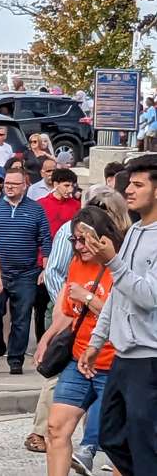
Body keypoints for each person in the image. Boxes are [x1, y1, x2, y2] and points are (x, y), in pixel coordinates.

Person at [78, 154, 157, 475]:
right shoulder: (136, 231)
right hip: (123, 356)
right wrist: (96, 342)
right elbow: (117, 294)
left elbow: (148, 296)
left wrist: (112, 262)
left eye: (138, 185)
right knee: (111, 436)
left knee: (143, 441)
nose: (129, 190)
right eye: (129, 184)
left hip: (149, 358)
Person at [33, 207, 123, 476]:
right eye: (75, 240)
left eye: (84, 239)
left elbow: (122, 315)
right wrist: (47, 338)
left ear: (102, 237)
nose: (79, 246)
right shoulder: (76, 263)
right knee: (56, 427)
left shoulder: (119, 264)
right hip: (80, 358)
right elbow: (70, 315)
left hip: (114, 361)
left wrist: (87, 298)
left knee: (118, 442)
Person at [0, 167, 51, 374]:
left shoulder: (36, 209)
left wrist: (45, 268)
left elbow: (45, 239)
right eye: (7, 184)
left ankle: (16, 359)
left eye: (14, 184)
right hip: (0, 273)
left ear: (25, 185)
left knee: (21, 317)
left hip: (27, 272)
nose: (9, 187)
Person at [38, 168, 80, 237]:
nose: (70, 190)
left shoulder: (76, 205)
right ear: (55, 184)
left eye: (72, 186)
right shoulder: (40, 204)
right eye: (66, 185)